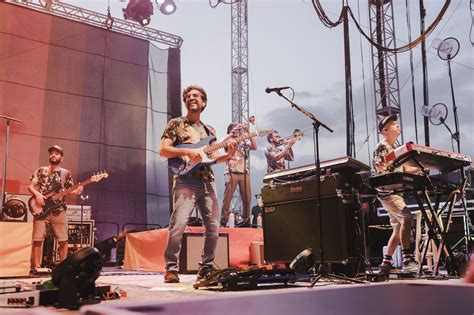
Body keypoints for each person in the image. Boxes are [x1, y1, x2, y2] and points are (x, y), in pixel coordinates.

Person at [159, 85, 237, 283]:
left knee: (213, 228)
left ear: (204, 102)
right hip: (185, 180)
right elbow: (163, 150)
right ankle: (171, 269)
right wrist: (186, 152)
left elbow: (211, 159)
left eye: (196, 96)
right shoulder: (175, 124)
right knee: (178, 225)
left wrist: (228, 155)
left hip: (207, 182)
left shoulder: (209, 131)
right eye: (188, 96)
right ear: (186, 102)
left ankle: (206, 268)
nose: (192, 98)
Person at [372, 115, 419, 273]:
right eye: (394, 124)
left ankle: (385, 264)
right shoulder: (382, 147)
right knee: (407, 217)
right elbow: (380, 169)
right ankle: (407, 259)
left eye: (397, 123)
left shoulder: (395, 149)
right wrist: (382, 167)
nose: (397, 125)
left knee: (398, 228)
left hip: (395, 192)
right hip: (387, 193)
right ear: (385, 130)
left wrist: (423, 166)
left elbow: (404, 169)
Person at [28, 145, 83, 272]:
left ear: (61, 157)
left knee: (63, 239)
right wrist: (37, 194)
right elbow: (30, 186)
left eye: (56, 153)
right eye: (51, 153)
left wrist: (77, 191)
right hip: (41, 209)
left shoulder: (66, 173)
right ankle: (36, 267)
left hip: (59, 210)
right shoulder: (41, 170)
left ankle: (63, 268)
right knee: (37, 239)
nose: (53, 155)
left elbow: (68, 191)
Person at [220, 121, 257, 227]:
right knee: (228, 197)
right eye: (235, 128)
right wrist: (232, 133)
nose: (238, 130)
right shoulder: (229, 141)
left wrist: (248, 132)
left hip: (244, 172)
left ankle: (246, 219)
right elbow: (221, 142)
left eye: (238, 128)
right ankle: (223, 220)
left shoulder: (243, 142)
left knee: (247, 197)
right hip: (231, 172)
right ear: (230, 129)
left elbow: (254, 147)